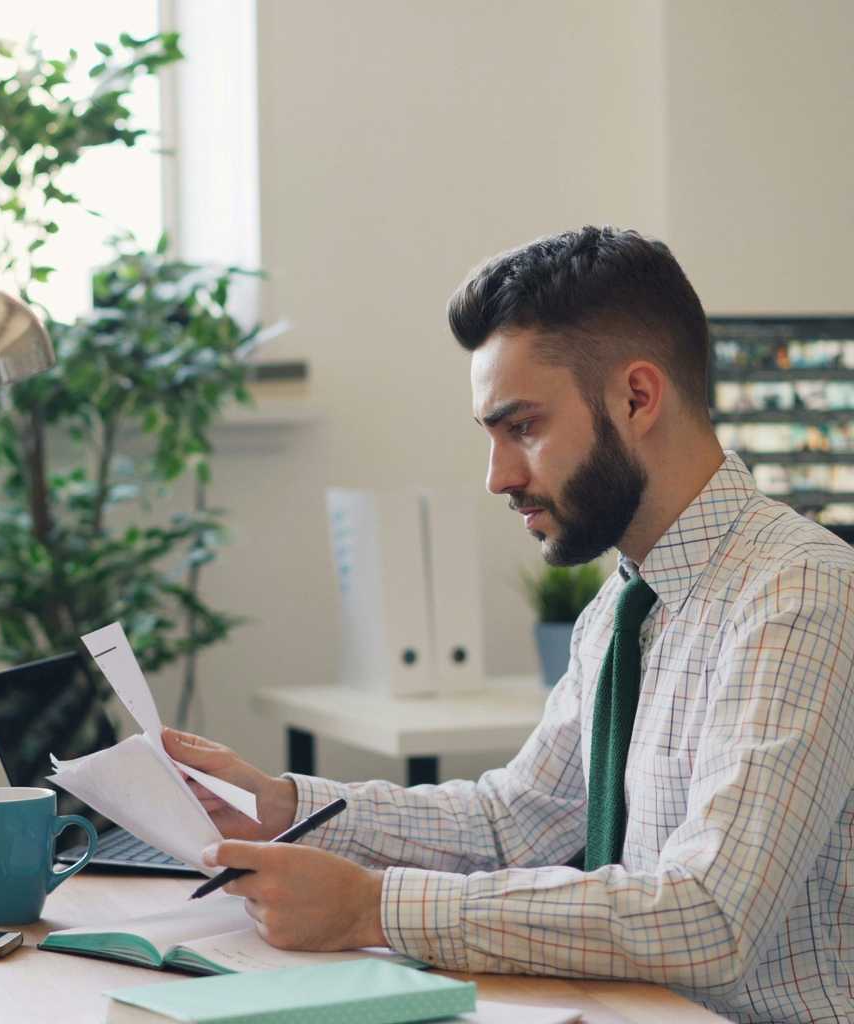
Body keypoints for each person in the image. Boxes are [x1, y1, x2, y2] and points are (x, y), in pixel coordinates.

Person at [162, 227, 854, 1024]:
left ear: (637, 397)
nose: (499, 477)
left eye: (521, 426)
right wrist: (287, 807)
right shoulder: (624, 608)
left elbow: (709, 918)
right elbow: (511, 821)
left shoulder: (801, 594)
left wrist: (373, 909)